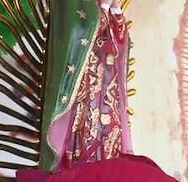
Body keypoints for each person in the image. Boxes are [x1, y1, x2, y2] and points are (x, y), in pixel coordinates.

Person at [41, 0, 133, 171]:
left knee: (108, 139)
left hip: (106, 88)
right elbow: (79, 28)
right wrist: (103, 9)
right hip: (83, 90)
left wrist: (114, 12)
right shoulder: (75, 6)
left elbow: (119, 41)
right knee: (83, 136)